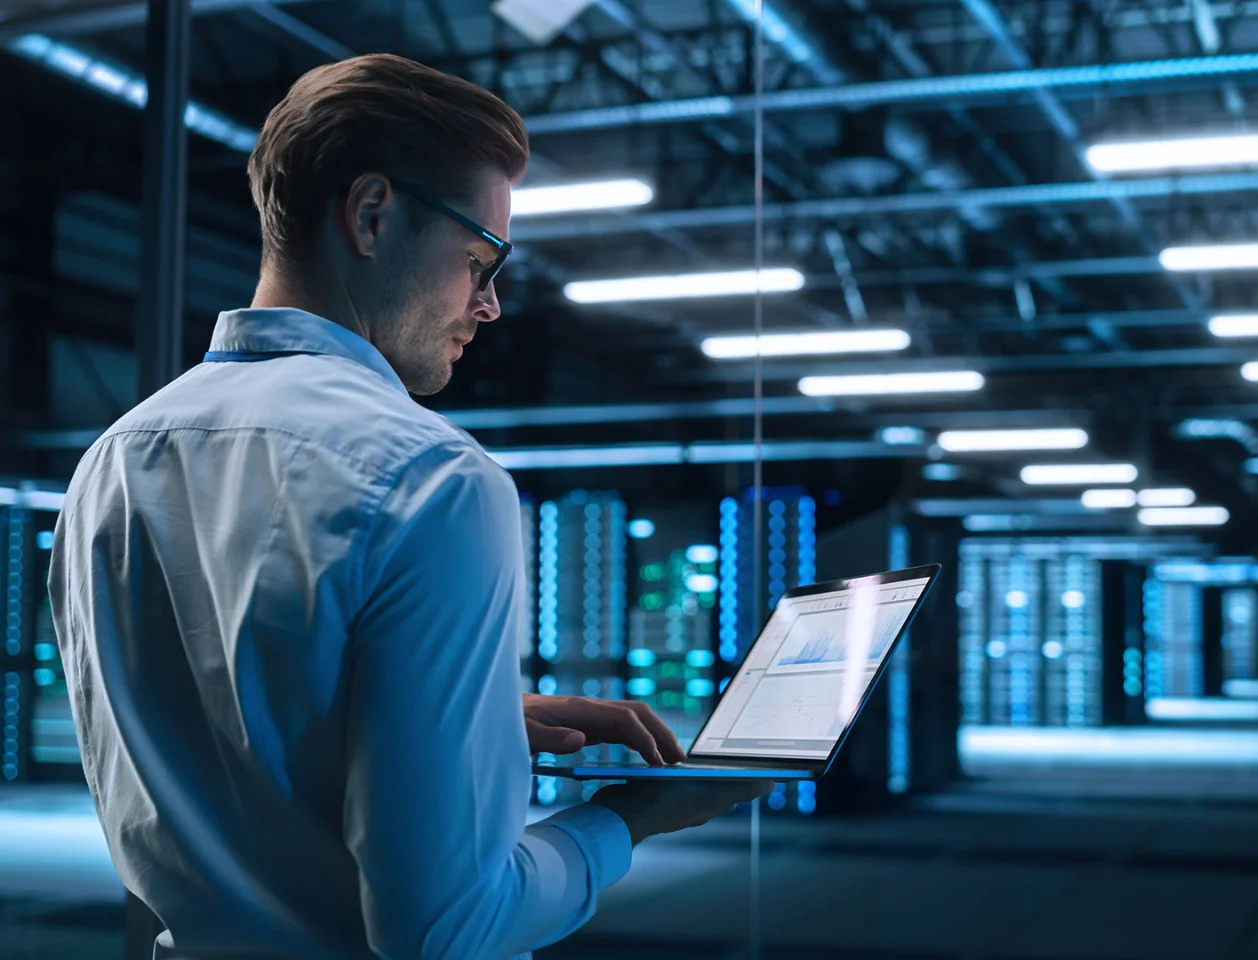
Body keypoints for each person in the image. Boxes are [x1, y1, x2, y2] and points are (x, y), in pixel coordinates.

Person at [48, 53, 767, 959]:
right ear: (371, 213)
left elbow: (239, 745)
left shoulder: (111, 461)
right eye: (479, 258)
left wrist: (473, 725)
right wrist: (626, 822)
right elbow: (442, 932)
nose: (491, 304)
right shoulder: (434, 480)